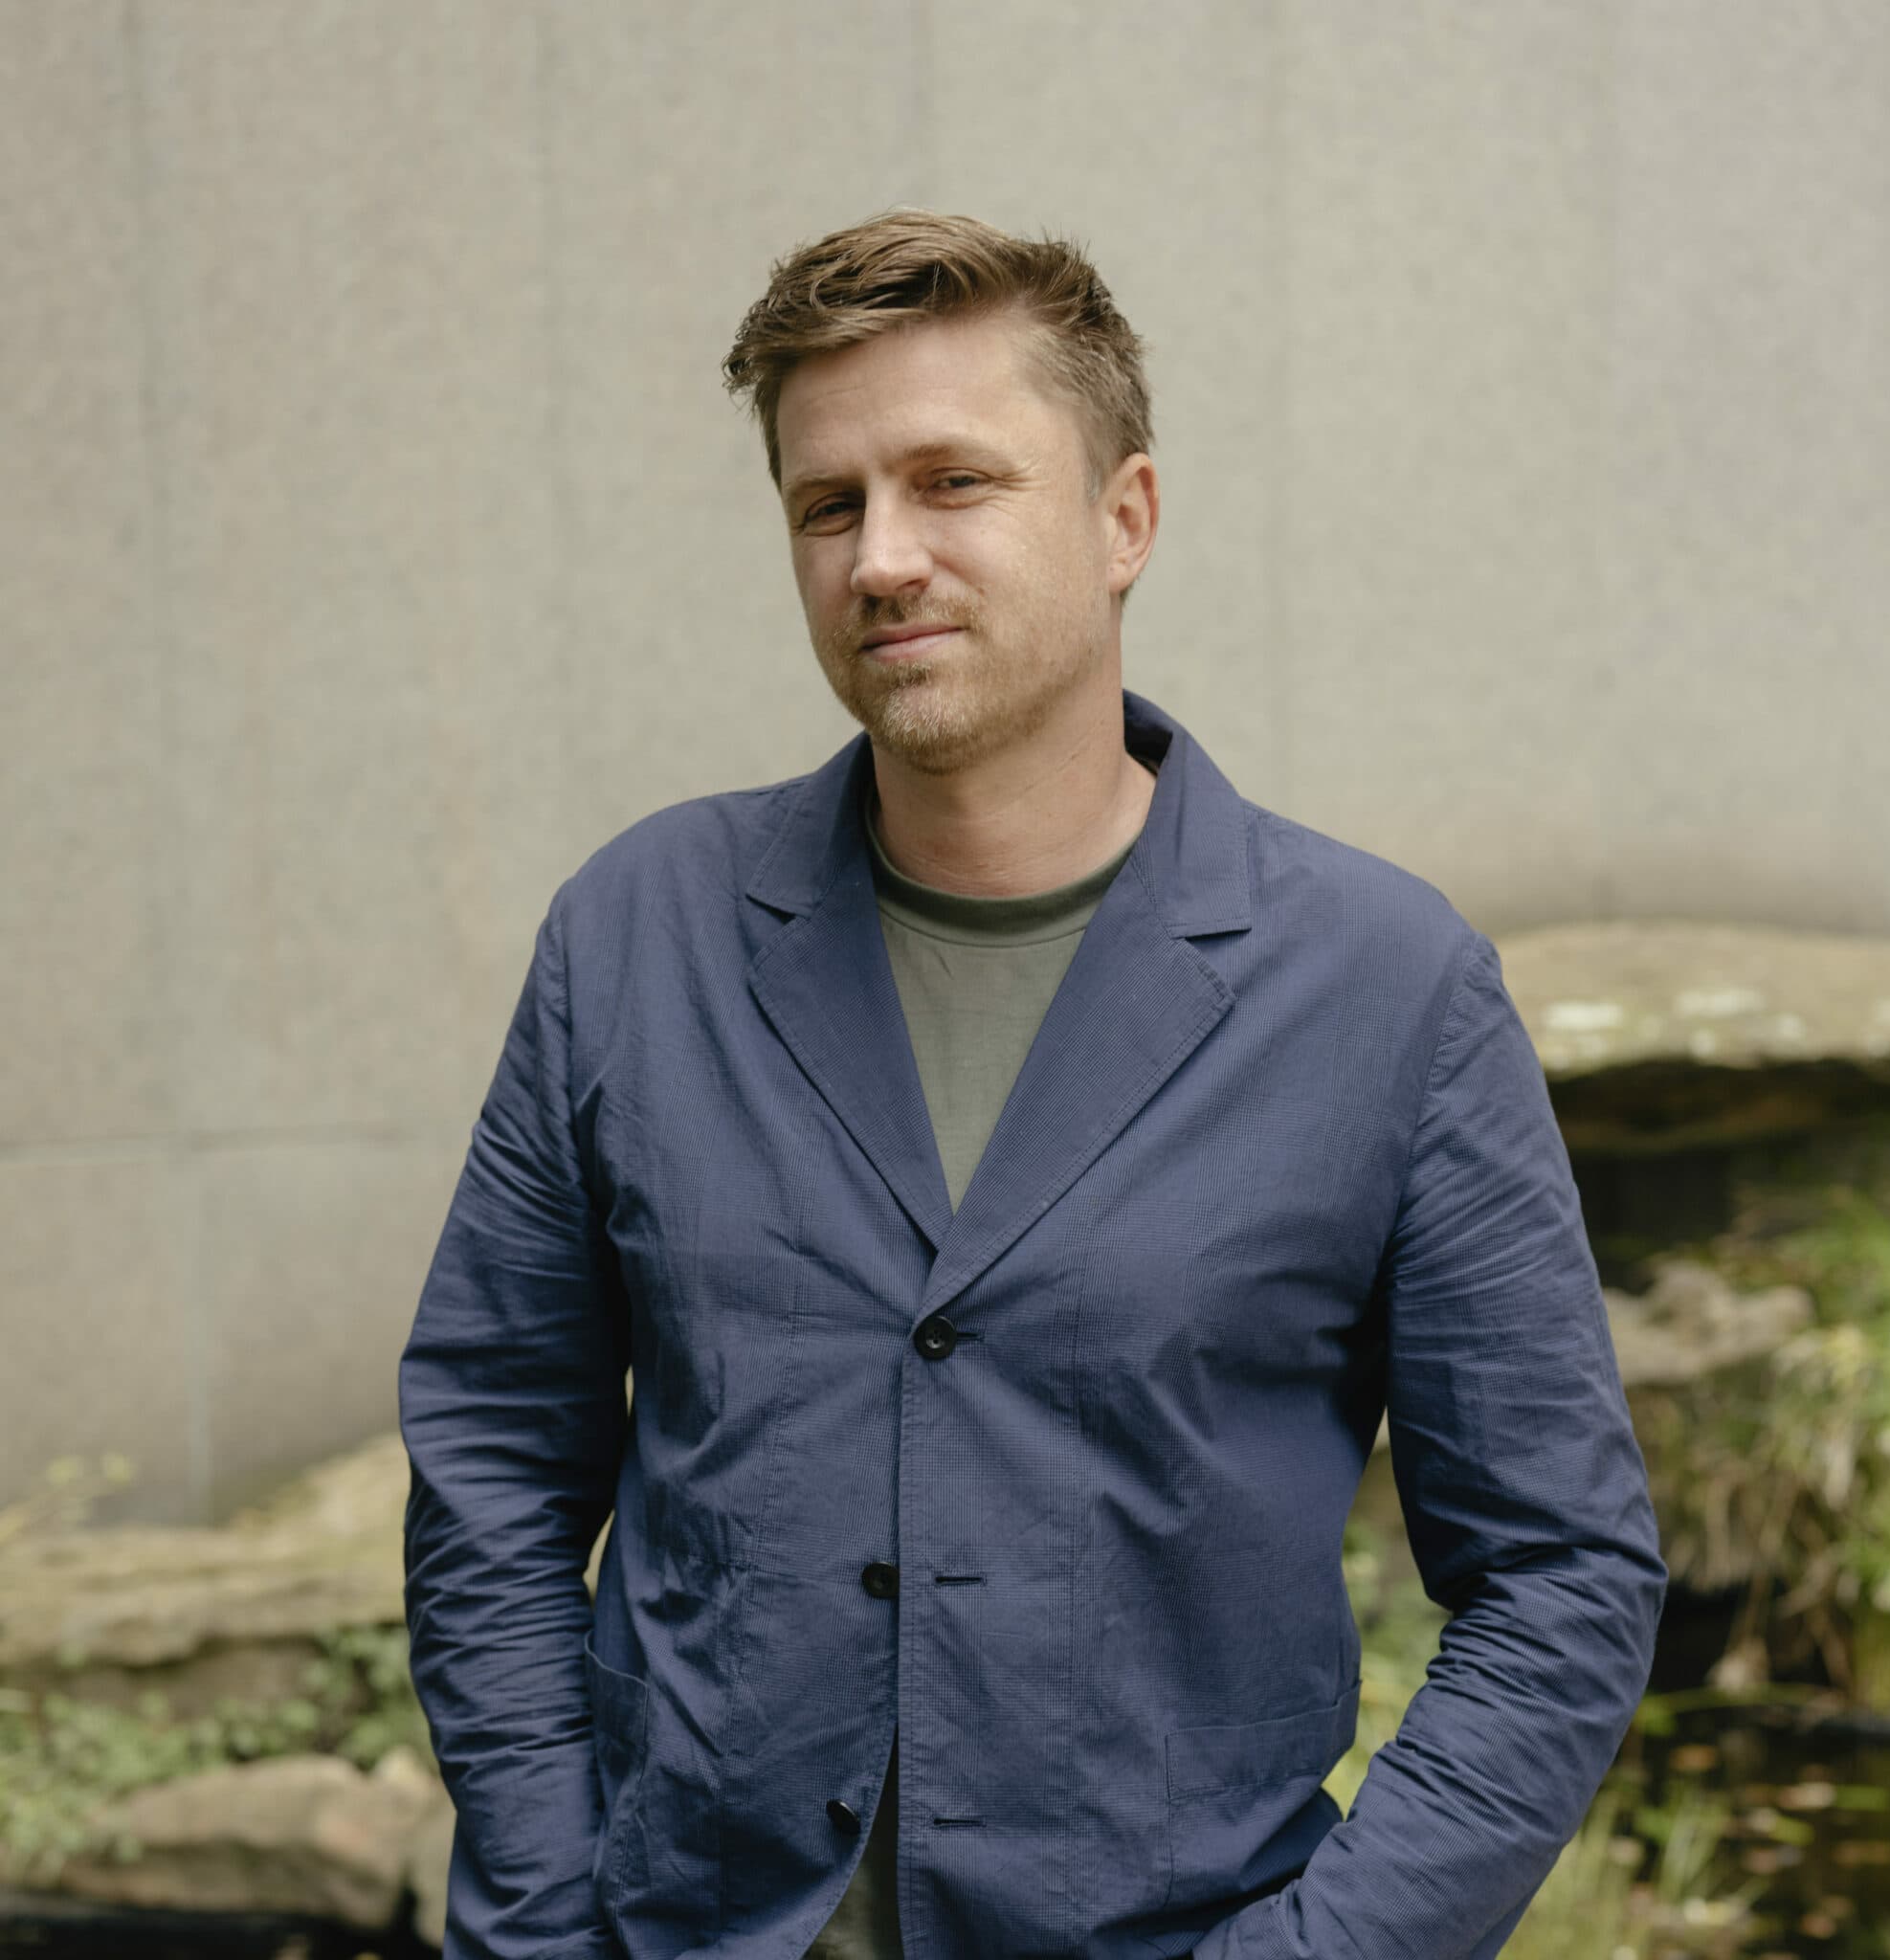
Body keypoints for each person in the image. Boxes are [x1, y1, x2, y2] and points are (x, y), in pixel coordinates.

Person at [398, 209, 1667, 1960]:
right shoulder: (634, 934)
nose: (881, 559)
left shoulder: (1390, 987)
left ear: (1124, 518)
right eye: (828, 505)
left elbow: (1561, 1576)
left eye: (953, 484)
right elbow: (493, 1460)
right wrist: (548, 1921)